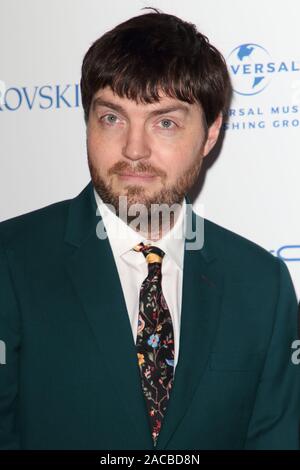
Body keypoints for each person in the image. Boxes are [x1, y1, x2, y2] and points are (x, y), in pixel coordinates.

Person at [0, 8, 299, 451]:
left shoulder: (261, 285)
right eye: (112, 118)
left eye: (165, 123)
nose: (134, 149)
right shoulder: (11, 261)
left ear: (211, 133)